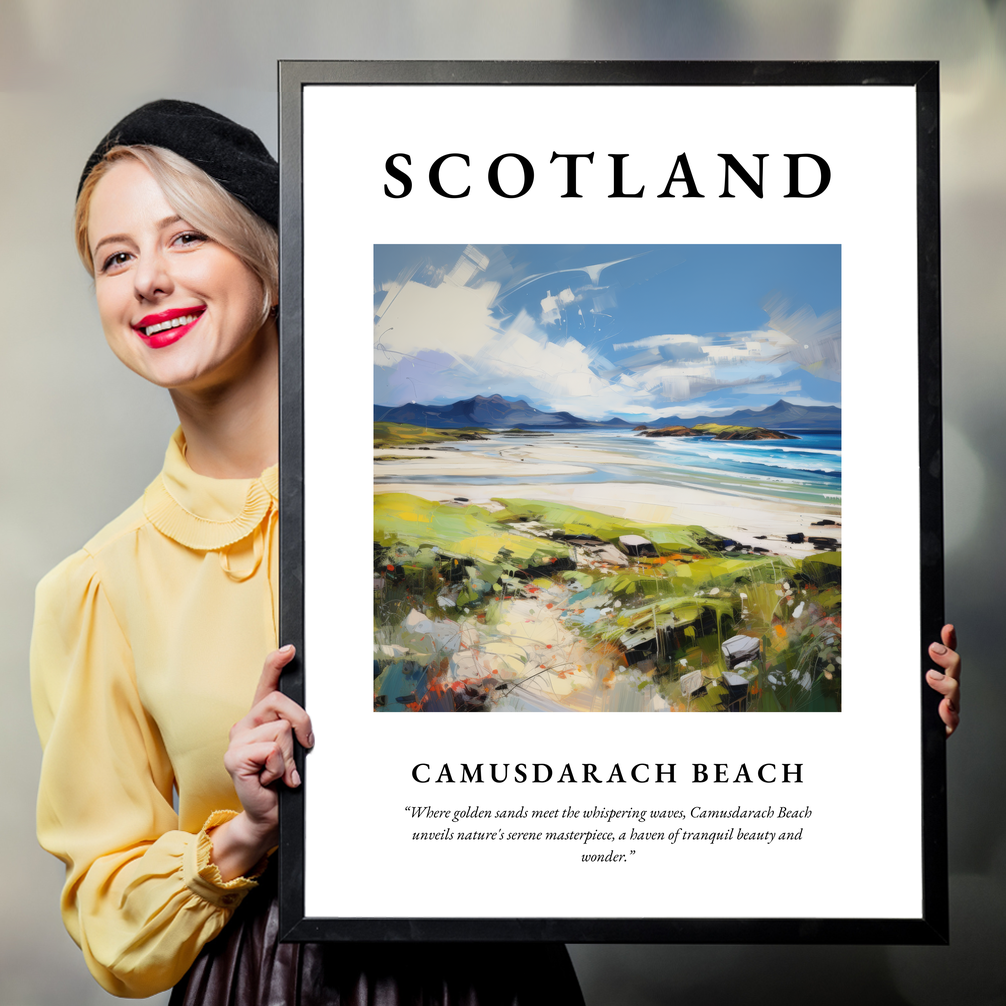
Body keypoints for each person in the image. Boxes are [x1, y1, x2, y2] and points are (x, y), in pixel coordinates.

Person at [30, 100, 586, 1004]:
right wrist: (245, 832)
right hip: (262, 982)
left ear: (273, 263)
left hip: (493, 973)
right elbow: (110, 923)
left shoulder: (434, 506)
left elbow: (596, 713)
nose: (148, 281)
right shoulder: (97, 587)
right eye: (116, 257)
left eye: (185, 238)